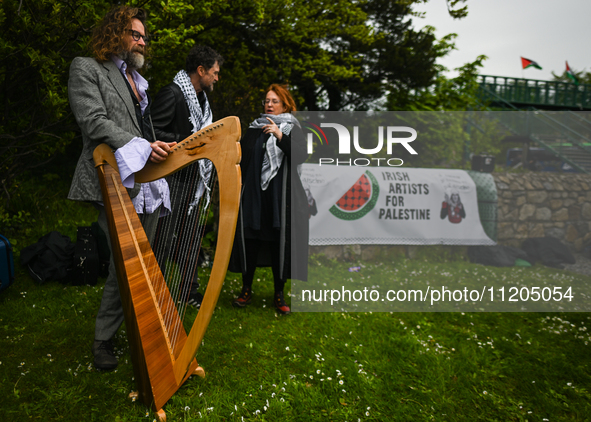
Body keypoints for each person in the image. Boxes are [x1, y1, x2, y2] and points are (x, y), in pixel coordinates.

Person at [67, 6, 175, 370]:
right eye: (135, 34)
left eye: (144, 36)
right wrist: (144, 146)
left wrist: (158, 148)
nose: (142, 41)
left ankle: (142, 329)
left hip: (149, 182)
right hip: (114, 180)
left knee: (145, 262)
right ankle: (104, 340)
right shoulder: (86, 68)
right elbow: (93, 121)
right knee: (122, 265)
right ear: (115, 33)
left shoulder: (136, 80)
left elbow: (144, 129)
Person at [151, 45, 223, 308]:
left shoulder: (202, 99)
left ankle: (188, 291)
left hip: (195, 183)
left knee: (191, 238)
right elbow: (152, 132)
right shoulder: (172, 93)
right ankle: (155, 289)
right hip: (171, 181)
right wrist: (188, 142)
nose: (217, 78)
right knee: (162, 238)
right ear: (201, 70)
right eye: (214, 73)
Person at [229, 84, 309, 315]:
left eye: (274, 101)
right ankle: (246, 290)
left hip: (280, 197)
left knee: (278, 243)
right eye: (267, 101)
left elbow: (301, 155)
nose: (269, 105)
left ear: (285, 105)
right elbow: (241, 158)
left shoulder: (293, 128)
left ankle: (279, 293)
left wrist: (280, 135)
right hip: (255, 194)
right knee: (251, 239)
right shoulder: (254, 128)